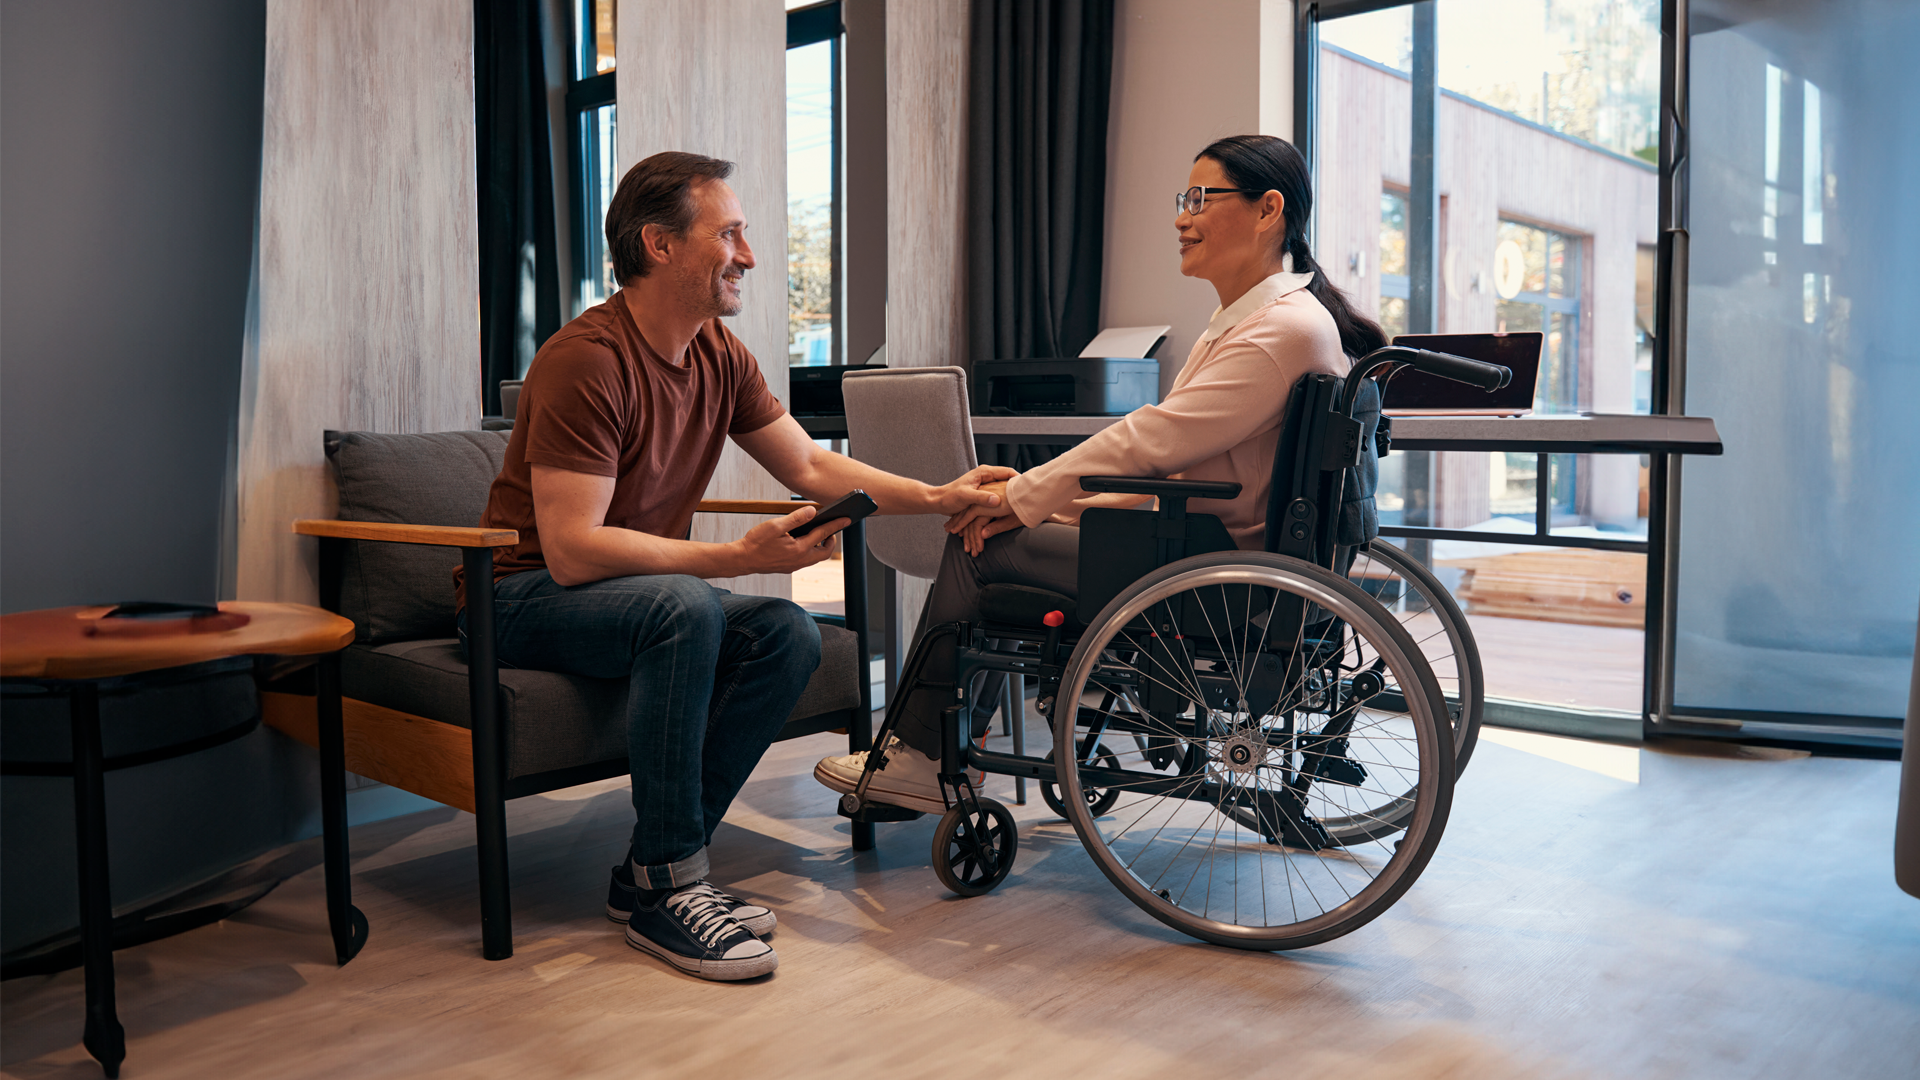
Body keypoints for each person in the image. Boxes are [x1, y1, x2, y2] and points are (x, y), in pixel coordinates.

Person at [458, 150, 1012, 981]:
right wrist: (734, 556)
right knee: (685, 606)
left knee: (787, 633)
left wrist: (940, 497)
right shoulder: (587, 360)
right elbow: (571, 551)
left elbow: (816, 469)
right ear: (660, 245)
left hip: (627, 596)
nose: (749, 256)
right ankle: (672, 887)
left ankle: (651, 872)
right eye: (732, 234)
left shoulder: (719, 353)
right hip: (518, 595)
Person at [813, 134, 1388, 813]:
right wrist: (1049, 506)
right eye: (1184, 199)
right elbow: (1181, 464)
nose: (1182, 216)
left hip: (1213, 569)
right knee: (1000, 528)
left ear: (1269, 210)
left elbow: (1154, 442)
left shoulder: (1279, 330)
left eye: (1202, 199)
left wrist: (1028, 497)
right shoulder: (1261, 322)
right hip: (1205, 546)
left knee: (984, 543)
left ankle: (927, 754)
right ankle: (943, 751)